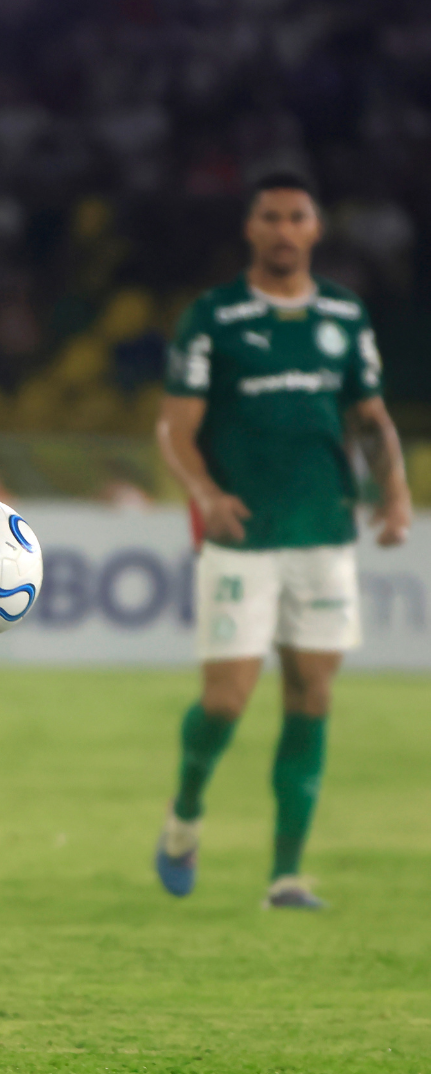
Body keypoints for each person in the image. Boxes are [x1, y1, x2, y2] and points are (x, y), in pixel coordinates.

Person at [153, 172, 410, 909]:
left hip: (324, 535)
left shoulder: (343, 314)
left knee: (311, 696)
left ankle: (286, 875)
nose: (283, 229)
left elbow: (370, 416)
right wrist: (206, 494)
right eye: (270, 217)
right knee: (228, 702)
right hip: (243, 538)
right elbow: (175, 430)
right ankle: (185, 814)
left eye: (297, 216)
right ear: (252, 229)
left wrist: (394, 493)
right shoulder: (216, 317)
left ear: (315, 229)